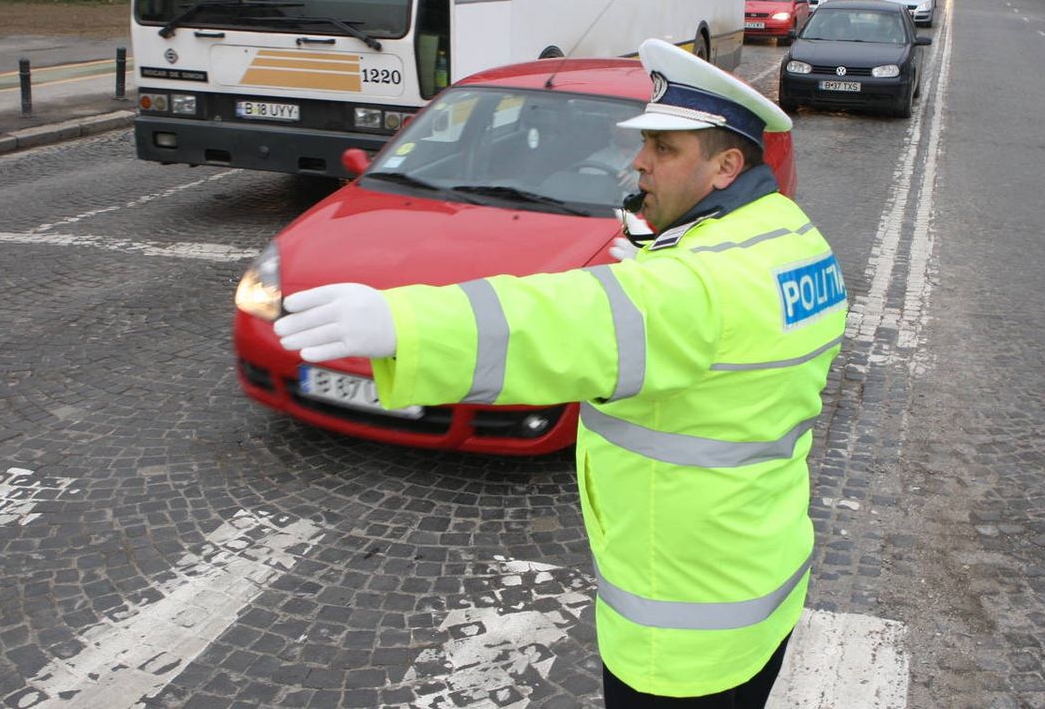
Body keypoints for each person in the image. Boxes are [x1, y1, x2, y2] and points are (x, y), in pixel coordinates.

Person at [273, 39, 848, 706]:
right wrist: (662, 245)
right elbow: (714, 332)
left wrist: (403, 325)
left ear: (724, 165)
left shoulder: (697, 287)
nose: (639, 161)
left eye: (665, 149)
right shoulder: (789, 237)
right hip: (759, 577)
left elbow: (558, 321)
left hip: (683, 631)